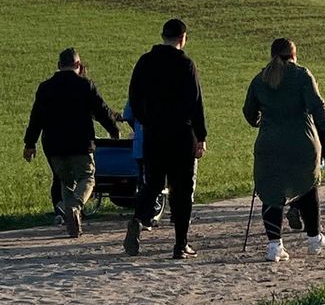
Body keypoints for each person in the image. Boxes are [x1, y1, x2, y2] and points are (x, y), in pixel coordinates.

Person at [242, 38, 325, 260]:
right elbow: (318, 106)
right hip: (302, 143)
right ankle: (314, 239)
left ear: (272, 55)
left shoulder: (260, 79)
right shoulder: (302, 75)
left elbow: (250, 114)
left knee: (271, 193)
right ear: (294, 54)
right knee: (308, 187)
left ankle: (274, 245)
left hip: (269, 144)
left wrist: (263, 121)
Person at [123, 19, 207, 260]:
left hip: (154, 135)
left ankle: (138, 220)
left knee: (153, 184)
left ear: (163, 36)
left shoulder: (145, 62)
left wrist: (146, 122)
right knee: (182, 190)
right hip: (182, 135)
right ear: (183, 38)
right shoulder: (186, 65)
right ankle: (180, 244)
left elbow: (134, 98)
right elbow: (195, 103)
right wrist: (201, 136)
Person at [23, 48, 120, 238]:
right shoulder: (85, 85)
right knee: (87, 177)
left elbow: (36, 118)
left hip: (53, 147)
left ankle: (72, 224)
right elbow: (101, 110)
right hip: (80, 144)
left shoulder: (45, 88)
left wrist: (30, 144)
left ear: (59, 66)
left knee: (65, 183)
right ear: (78, 65)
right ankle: (75, 207)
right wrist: (113, 128)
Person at [122, 100, 163, 229]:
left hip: (140, 144)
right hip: (157, 143)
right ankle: (148, 214)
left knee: (143, 180)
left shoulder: (137, 92)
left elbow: (128, 115)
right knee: (154, 181)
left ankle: (141, 212)